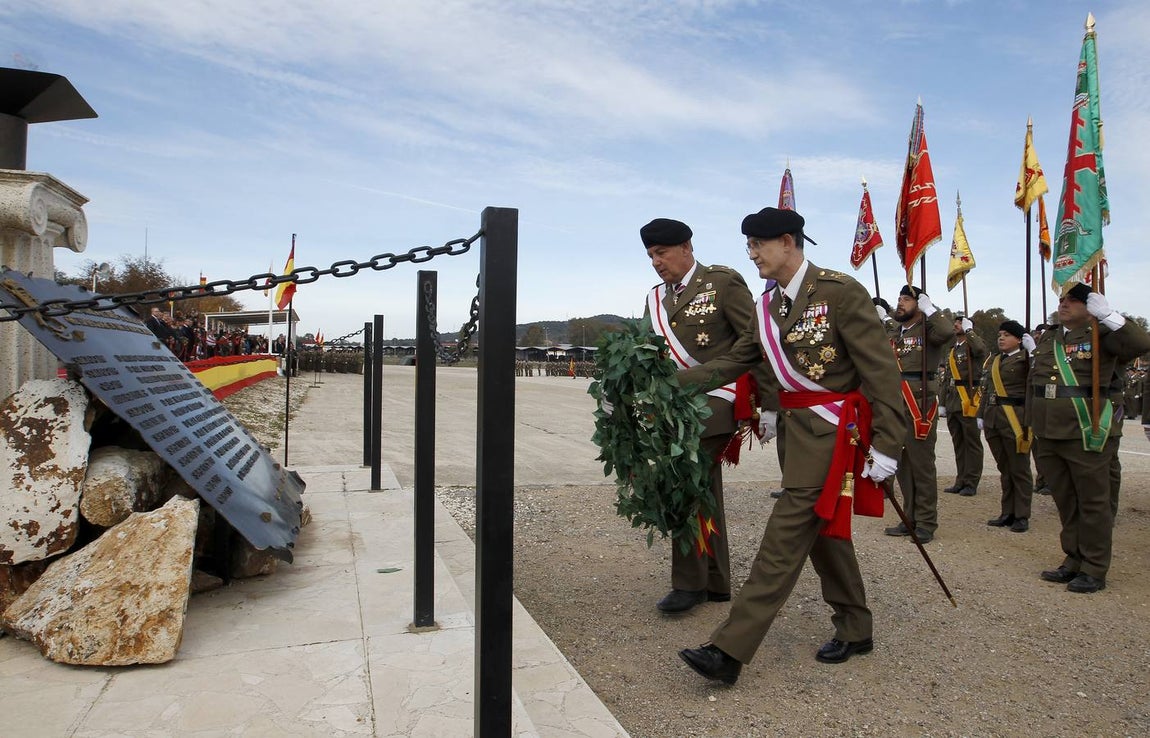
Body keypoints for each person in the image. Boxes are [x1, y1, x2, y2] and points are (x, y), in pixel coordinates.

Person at [675, 206, 904, 685]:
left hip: (835, 435)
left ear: (787, 242)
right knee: (822, 534)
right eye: (749, 247)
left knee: (782, 541)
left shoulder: (840, 292)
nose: (752, 254)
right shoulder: (770, 304)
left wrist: (888, 444)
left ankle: (728, 651)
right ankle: (856, 627)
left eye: (757, 245)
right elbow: (740, 358)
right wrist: (669, 382)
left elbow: (880, 371)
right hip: (797, 437)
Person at [639, 217, 770, 614]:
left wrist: (772, 405)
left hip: (718, 396)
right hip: (676, 402)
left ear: (686, 247)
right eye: (650, 256)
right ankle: (714, 580)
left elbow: (756, 341)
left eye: (661, 253)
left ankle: (689, 584)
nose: (656, 262)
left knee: (684, 477)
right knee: (703, 488)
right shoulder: (655, 298)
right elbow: (649, 353)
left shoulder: (722, 282)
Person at [1030, 284, 1150, 593]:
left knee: (1093, 502)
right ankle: (1074, 558)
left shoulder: (1103, 334)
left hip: (1086, 431)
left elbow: (1140, 344)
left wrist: (1109, 315)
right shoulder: (1051, 338)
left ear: (1090, 306)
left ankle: (1095, 567)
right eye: (1061, 299)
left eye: (1073, 300)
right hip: (1049, 431)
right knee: (1066, 500)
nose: (1064, 304)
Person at [883, 285, 953, 543]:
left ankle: (926, 522)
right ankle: (909, 518)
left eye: (907, 299)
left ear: (920, 303)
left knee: (921, 465)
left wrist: (931, 310)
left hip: (918, 402)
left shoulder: (928, 330)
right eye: (899, 298)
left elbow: (946, 332)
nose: (900, 303)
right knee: (902, 465)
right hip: (895, 400)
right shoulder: (897, 332)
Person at [980, 320, 1035, 532]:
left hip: (1015, 419)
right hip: (994, 418)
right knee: (1005, 468)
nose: (1001, 338)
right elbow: (986, 390)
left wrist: (1034, 353)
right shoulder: (995, 360)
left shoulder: (1026, 359)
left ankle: (1021, 514)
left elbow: (1035, 383)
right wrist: (981, 414)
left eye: (1007, 335)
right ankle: (1007, 512)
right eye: (1000, 334)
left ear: (1019, 339)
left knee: (1019, 468)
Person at [942, 314, 988, 496]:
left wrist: (970, 331)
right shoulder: (953, 349)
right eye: (956, 321)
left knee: (972, 443)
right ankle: (960, 479)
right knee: (958, 443)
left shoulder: (973, 345)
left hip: (968, 399)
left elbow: (981, 350)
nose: (956, 324)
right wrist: (943, 402)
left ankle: (971, 481)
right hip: (954, 400)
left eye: (960, 322)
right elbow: (946, 379)